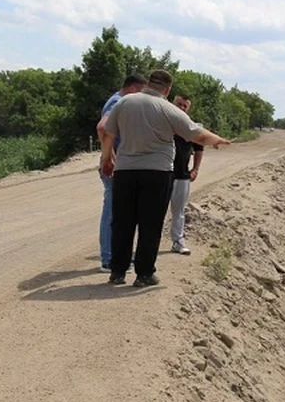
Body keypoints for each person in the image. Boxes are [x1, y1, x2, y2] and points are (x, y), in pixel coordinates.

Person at [99, 70, 230, 287]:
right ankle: (144, 274)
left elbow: (106, 131)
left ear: (148, 83)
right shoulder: (168, 109)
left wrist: (106, 159)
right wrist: (218, 139)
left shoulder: (124, 103)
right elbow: (197, 134)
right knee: (150, 224)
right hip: (157, 173)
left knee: (123, 222)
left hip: (125, 171)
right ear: (168, 90)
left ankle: (117, 271)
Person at [96, 74, 147, 272]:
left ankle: (117, 254)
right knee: (112, 213)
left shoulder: (117, 100)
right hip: (113, 168)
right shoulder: (118, 102)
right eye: (141, 92)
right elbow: (102, 127)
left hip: (117, 166)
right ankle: (108, 258)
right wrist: (109, 156)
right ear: (133, 89)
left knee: (119, 212)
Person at [168, 94, 203, 256]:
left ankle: (178, 241)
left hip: (182, 175)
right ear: (172, 103)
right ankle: (144, 247)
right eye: (179, 104)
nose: (181, 108)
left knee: (179, 211)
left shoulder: (191, 126)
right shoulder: (164, 122)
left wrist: (195, 168)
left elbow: (199, 148)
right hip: (161, 173)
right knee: (153, 211)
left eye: (185, 106)